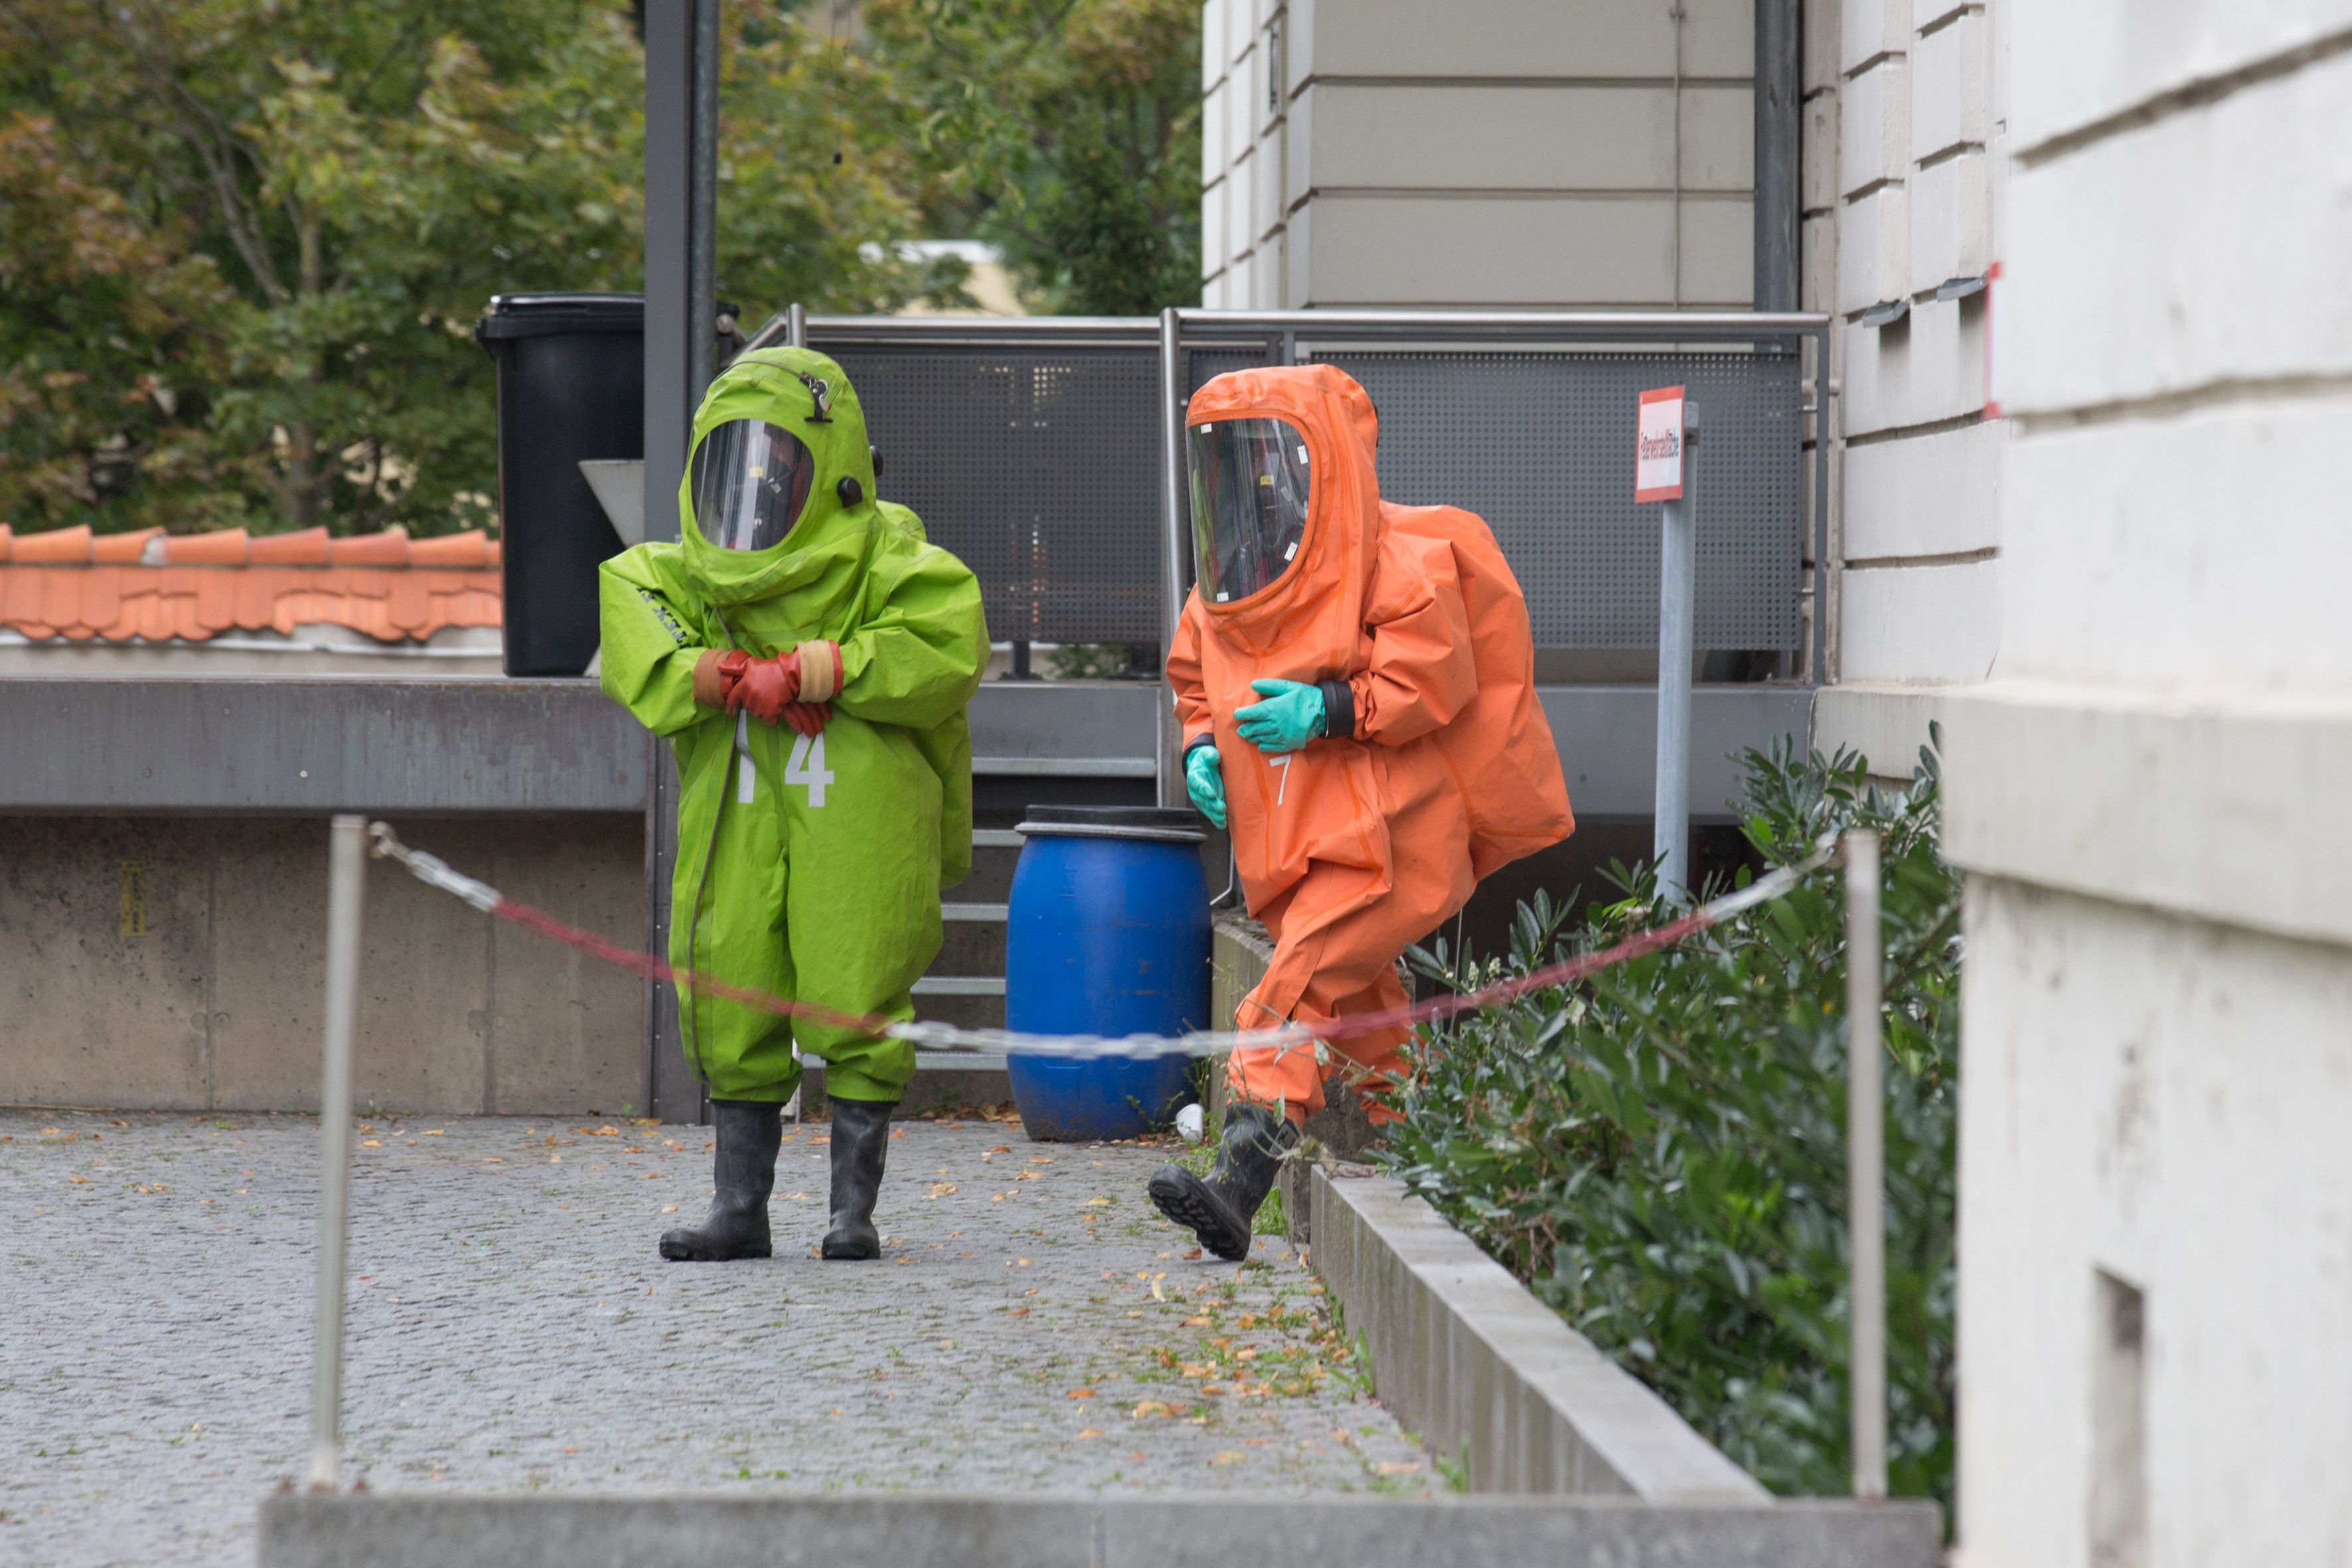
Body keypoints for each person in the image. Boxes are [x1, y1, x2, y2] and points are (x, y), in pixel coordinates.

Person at [1148, 363, 1574, 1260]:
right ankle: (1436, 1160)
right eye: (1234, 463)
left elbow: (1432, 678)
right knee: (1369, 1018)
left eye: (1272, 460)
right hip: (1304, 842)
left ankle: (1237, 1183)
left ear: (1324, 464)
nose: (1256, 484)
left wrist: (1333, 708)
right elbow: (1194, 680)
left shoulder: (1399, 564)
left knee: (1296, 985)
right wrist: (1200, 751)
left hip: (1393, 837)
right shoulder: (1225, 595)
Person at [599, 346, 986, 1263]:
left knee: (856, 978)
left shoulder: (890, 560)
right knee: (731, 973)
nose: (760, 479)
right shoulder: (691, 571)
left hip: (857, 809)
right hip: (743, 802)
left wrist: (821, 668)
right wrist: (726, 672)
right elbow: (632, 604)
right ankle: (741, 1208)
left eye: (781, 455)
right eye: (741, 455)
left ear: (838, 467)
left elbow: (946, 640)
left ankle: (851, 1214)